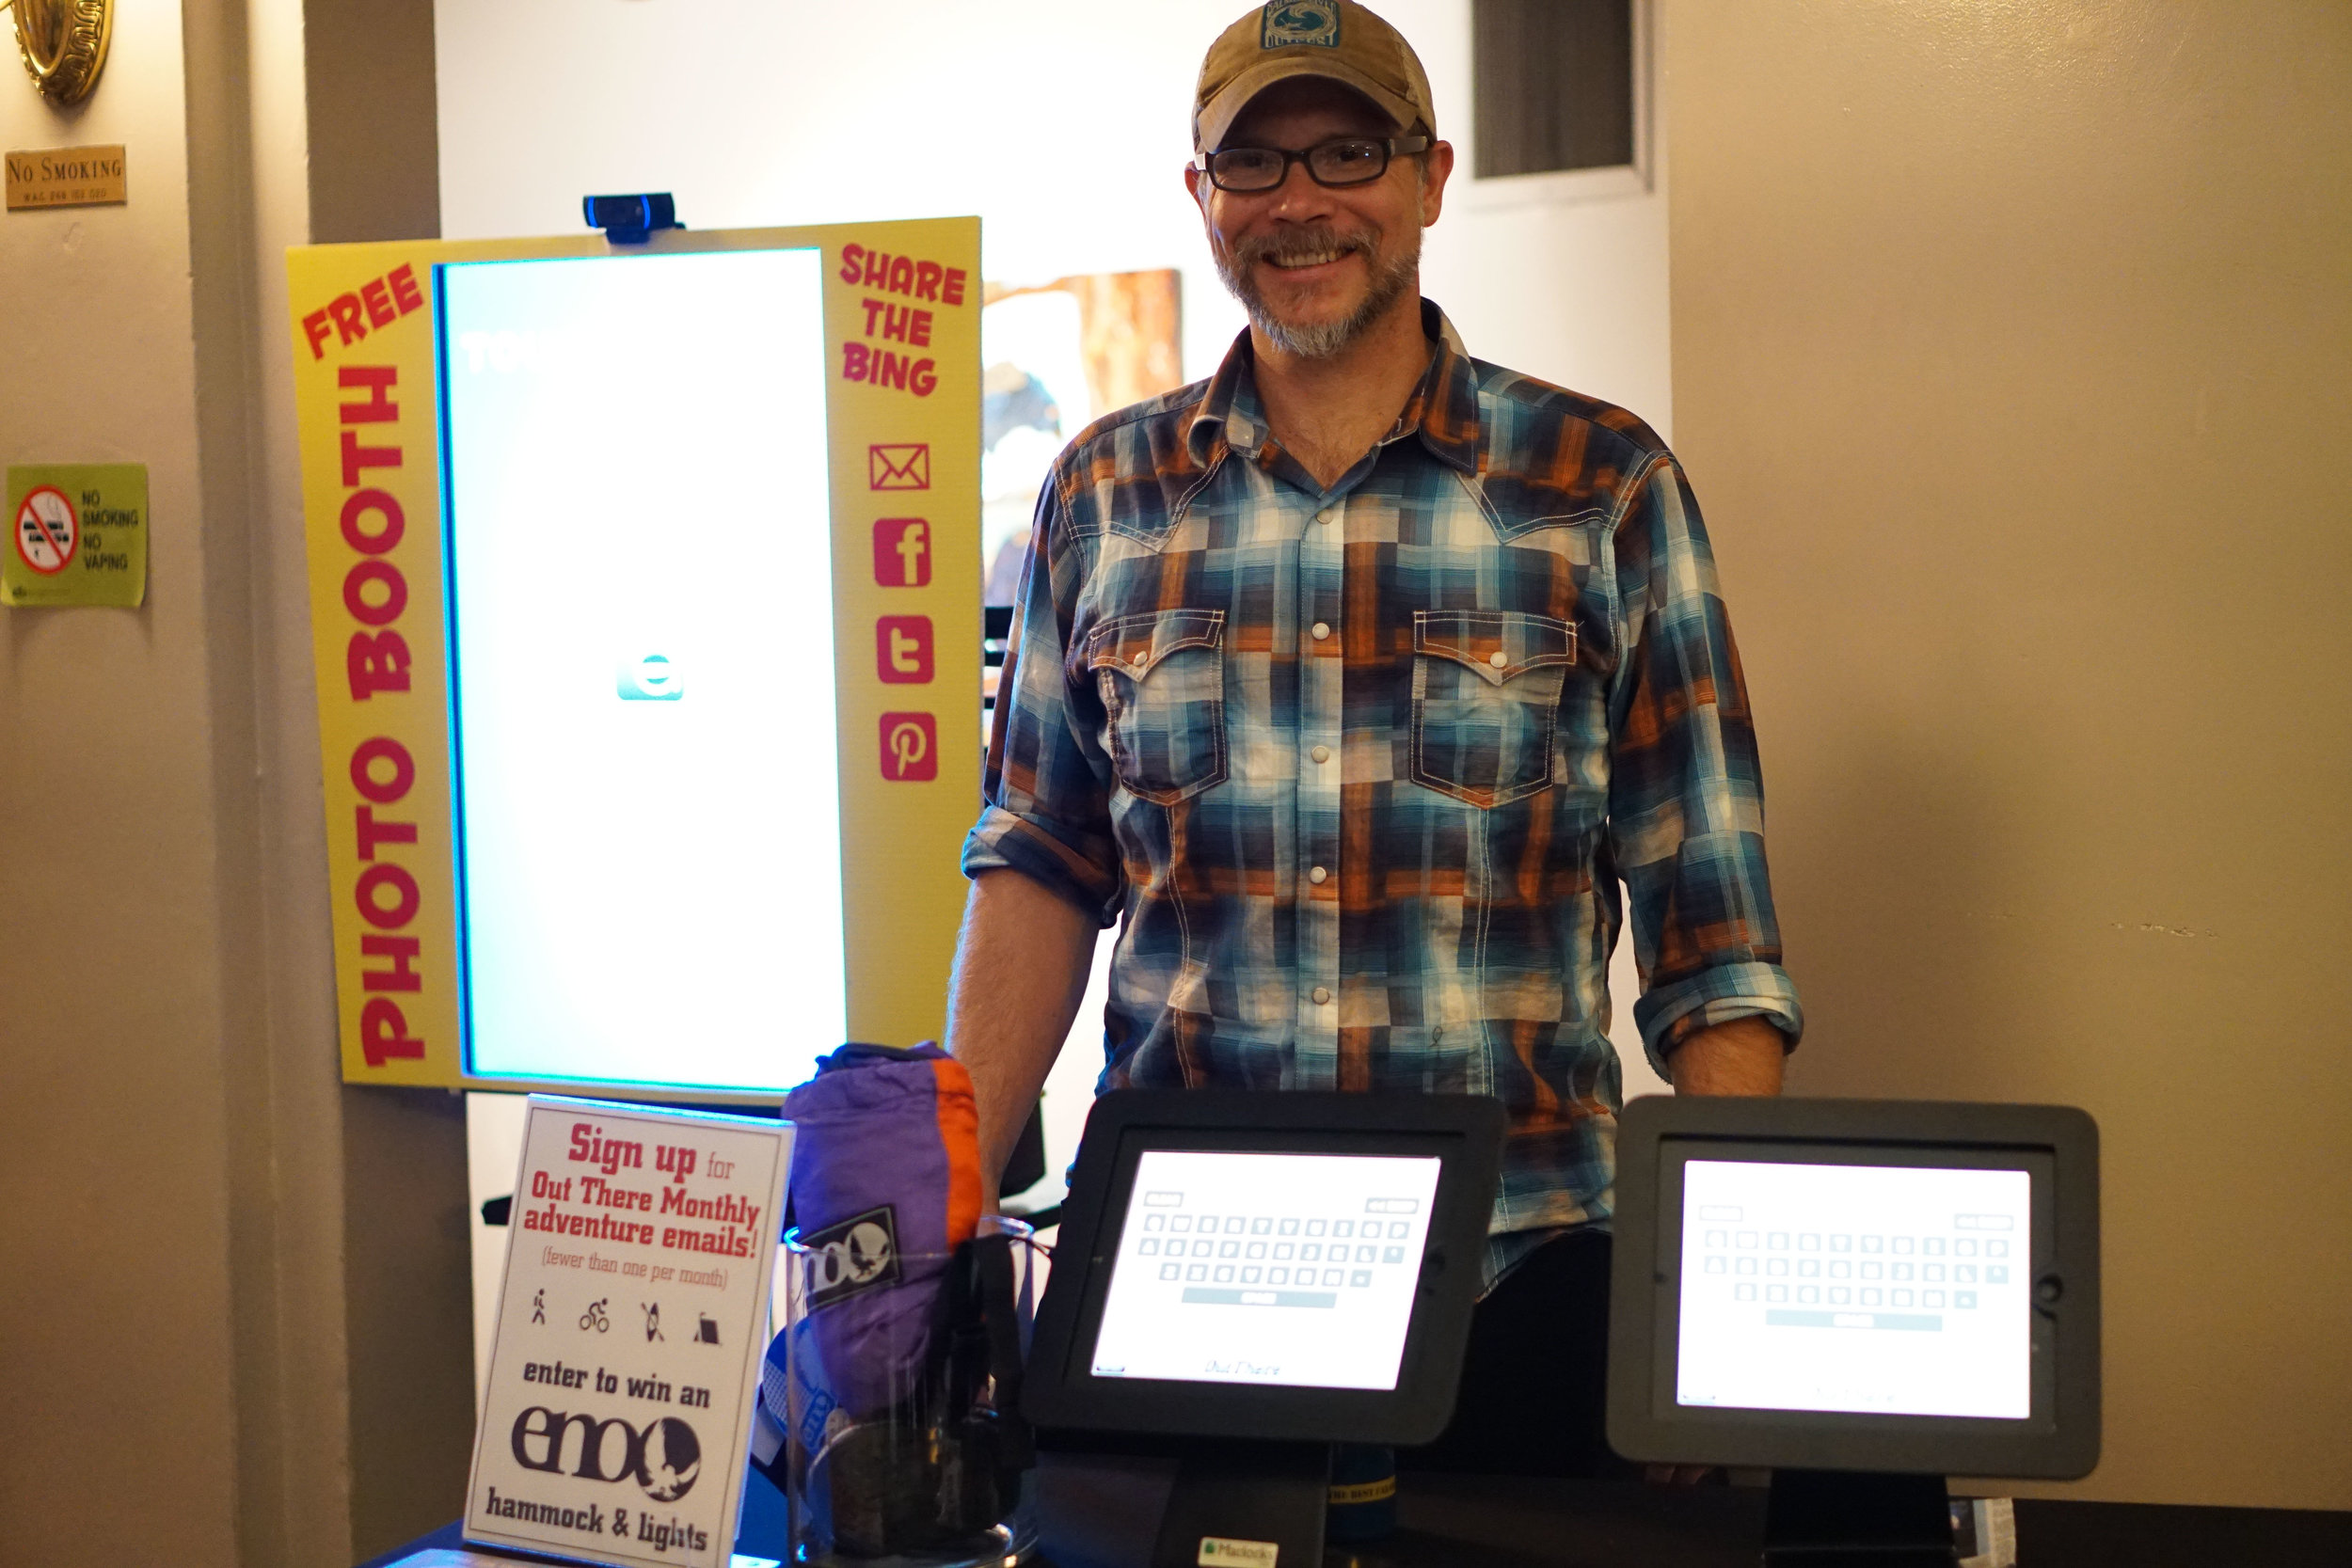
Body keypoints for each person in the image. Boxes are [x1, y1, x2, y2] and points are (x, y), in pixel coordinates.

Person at [947, 0, 1802, 1476]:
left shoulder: (1599, 486)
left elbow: (1711, 935)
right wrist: (948, 1205)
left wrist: (1703, 1315)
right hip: (1173, 1279)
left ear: (1429, 177)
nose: (1301, 203)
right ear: (1202, 199)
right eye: (1255, 164)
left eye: (1347, 152)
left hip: (1521, 1281)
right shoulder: (1102, 493)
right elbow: (1036, 866)